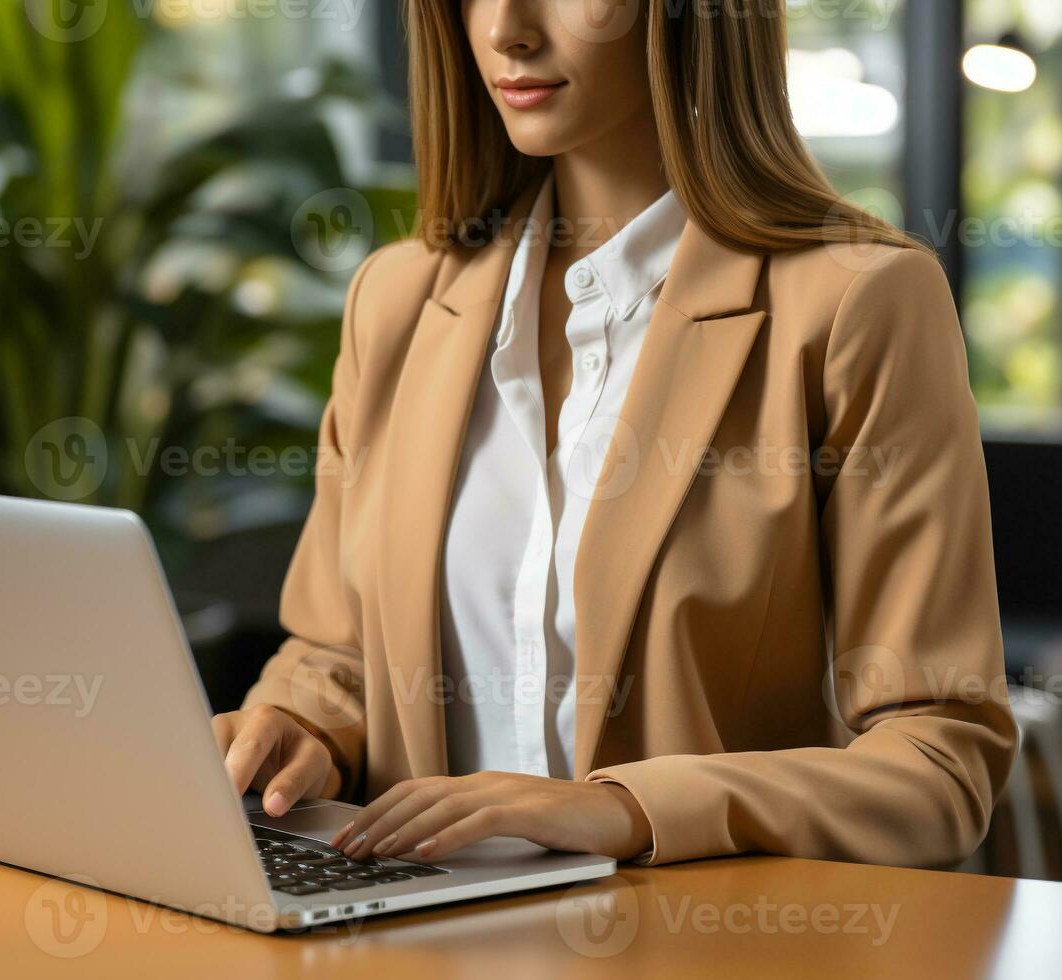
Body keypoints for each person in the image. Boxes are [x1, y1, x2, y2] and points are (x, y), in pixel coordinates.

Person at [212, 0, 1016, 868]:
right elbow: (337, 649)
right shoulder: (397, 300)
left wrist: (628, 810)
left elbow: (939, 760)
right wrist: (298, 726)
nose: (504, 30)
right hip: (411, 950)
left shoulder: (858, 301)